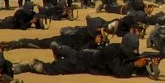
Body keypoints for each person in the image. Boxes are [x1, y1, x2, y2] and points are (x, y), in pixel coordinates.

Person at [15, 33, 147, 78]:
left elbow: (135, 63)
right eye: (134, 50)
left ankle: (59, 51)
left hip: (86, 54)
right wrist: (134, 65)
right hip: (81, 62)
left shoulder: (123, 51)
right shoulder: (112, 52)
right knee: (52, 69)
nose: (136, 53)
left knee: (73, 53)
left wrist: (148, 65)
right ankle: (29, 66)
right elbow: (119, 72)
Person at [0, 17, 107, 51]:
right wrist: (93, 43)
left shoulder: (91, 33)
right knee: (40, 44)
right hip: (60, 42)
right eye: (99, 28)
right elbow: (78, 49)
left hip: (65, 39)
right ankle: (20, 43)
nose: (101, 30)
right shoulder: (83, 34)